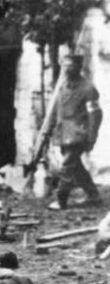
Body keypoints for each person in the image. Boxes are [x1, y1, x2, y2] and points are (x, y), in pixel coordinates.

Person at [41, 53, 102, 210]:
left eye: (71, 65)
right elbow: (55, 111)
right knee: (76, 166)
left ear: (79, 67)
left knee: (67, 167)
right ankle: (93, 195)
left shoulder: (88, 89)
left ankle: (61, 200)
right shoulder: (62, 86)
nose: (67, 69)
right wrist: (48, 131)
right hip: (63, 133)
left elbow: (95, 116)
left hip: (78, 134)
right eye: (65, 65)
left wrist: (91, 137)